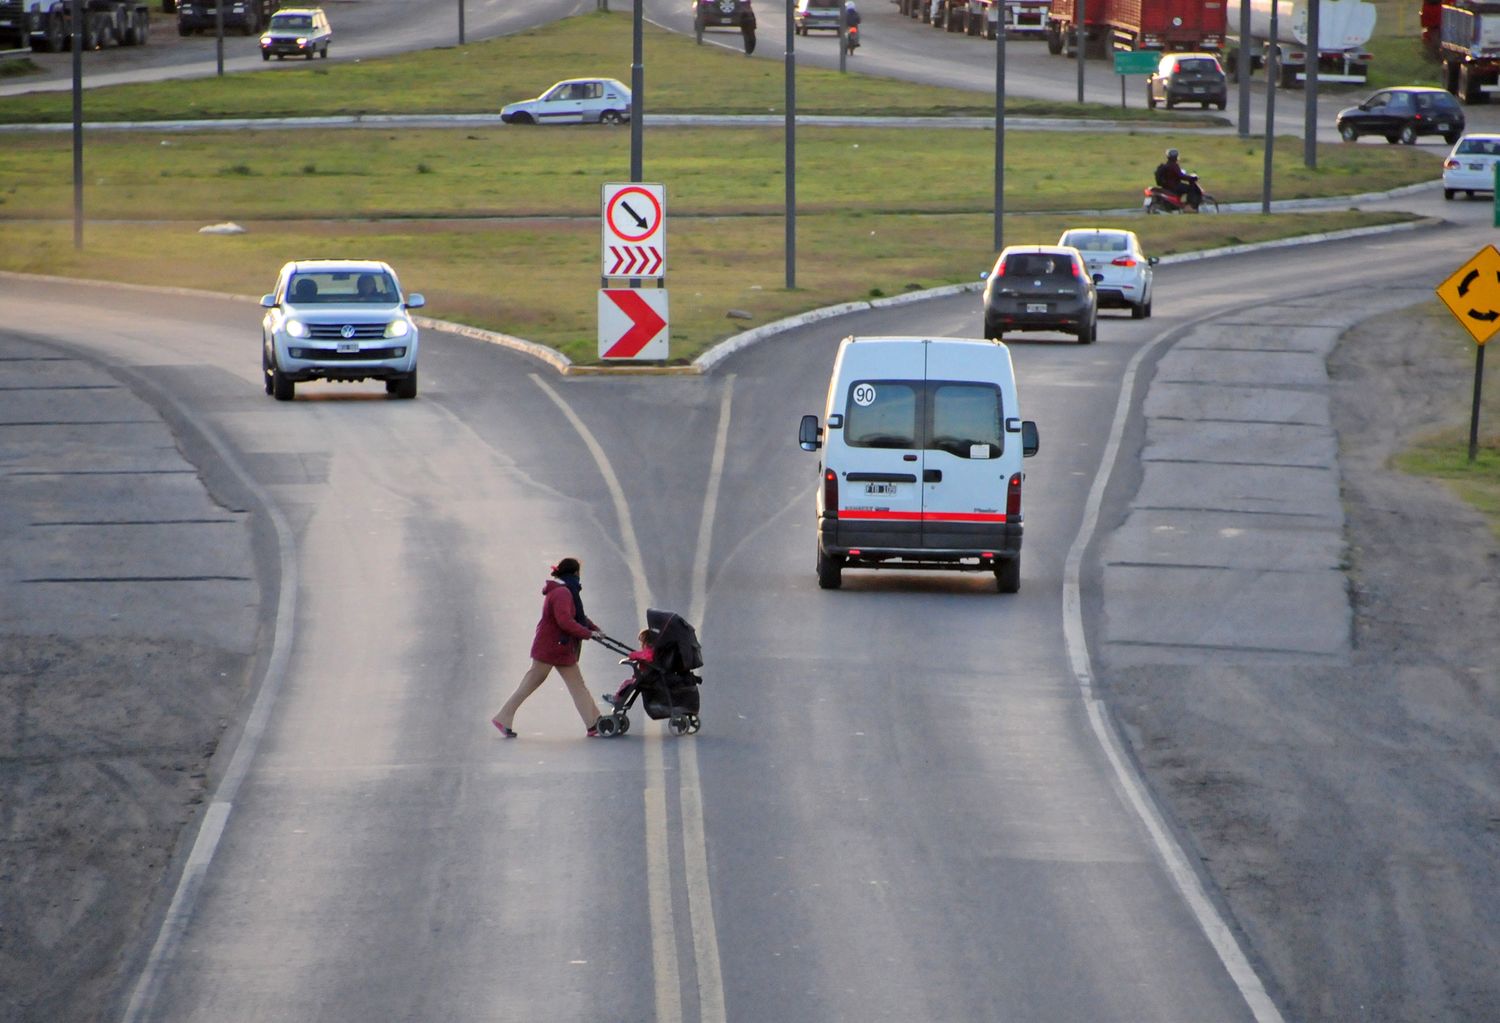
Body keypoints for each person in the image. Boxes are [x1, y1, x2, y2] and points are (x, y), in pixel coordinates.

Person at [492, 558, 604, 738]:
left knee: (543, 684)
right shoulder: (563, 593)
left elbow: (575, 616)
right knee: (573, 686)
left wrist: (593, 629)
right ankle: (594, 722)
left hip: (553, 646)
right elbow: (565, 621)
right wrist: (588, 633)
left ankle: (594, 721)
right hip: (555, 647)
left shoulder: (563, 590)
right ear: (575, 573)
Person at [603, 627, 658, 708]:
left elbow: (646, 656)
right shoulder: (652, 650)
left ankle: (617, 699)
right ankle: (617, 699)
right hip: (646, 676)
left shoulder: (649, 651)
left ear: (645, 642)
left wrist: (633, 655)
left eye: (642, 642)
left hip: (645, 677)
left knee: (627, 683)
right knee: (628, 683)